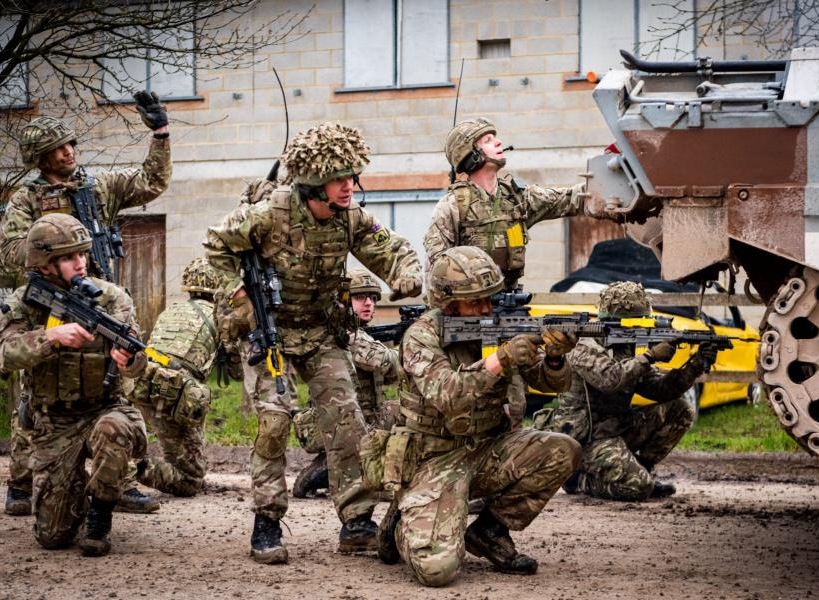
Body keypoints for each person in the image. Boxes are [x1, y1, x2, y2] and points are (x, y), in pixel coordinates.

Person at [205, 122, 423, 565]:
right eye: (340, 179)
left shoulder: (349, 217)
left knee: (347, 419)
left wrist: (405, 274)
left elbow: (392, 248)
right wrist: (237, 294)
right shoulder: (270, 214)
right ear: (313, 184)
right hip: (270, 332)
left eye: (352, 178)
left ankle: (356, 520)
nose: (349, 187)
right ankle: (267, 521)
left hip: (321, 332)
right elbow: (215, 246)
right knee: (273, 421)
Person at [0, 92, 171, 516]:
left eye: (70, 143)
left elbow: (151, 183)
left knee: (113, 381)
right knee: (38, 390)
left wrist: (161, 135)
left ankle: (117, 480)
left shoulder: (98, 187)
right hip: (50, 300)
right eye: (58, 148)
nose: (68, 151)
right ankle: (22, 481)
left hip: (100, 298)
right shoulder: (27, 199)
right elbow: (8, 251)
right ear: (41, 158)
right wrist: (52, 249)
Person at [378, 246, 582, 587]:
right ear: (448, 302)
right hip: (434, 457)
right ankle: (402, 521)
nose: (486, 309)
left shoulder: (500, 326)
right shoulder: (421, 336)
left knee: (562, 449)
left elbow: (550, 384)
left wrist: (555, 358)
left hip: (488, 447)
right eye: (476, 302)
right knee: (437, 572)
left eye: (490, 299)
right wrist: (500, 359)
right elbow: (450, 395)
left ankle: (489, 531)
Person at [0, 214, 149, 557]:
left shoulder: (113, 298)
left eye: (83, 255)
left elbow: (138, 360)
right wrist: (50, 336)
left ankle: (100, 515)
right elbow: (2, 353)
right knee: (53, 536)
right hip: (54, 421)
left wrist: (129, 360)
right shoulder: (25, 302)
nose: (80, 263)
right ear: (45, 265)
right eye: (68, 257)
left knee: (114, 429)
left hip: (104, 408)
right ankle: (74, 492)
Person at [535, 282, 718, 501]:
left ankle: (642, 471)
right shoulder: (579, 344)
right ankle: (578, 481)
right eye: (638, 321)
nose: (643, 326)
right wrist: (650, 356)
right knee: (637, 489)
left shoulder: (624, 346)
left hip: (616, 430)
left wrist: (697, 363)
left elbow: (661, 389)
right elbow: (610, 379)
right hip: (585, 441)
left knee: (679, 410)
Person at [424, 117, 621, 290]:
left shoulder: (518, 199)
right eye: (488, 140)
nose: (498, 142)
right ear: (471, 154)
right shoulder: (452, 206)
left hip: (509, 303)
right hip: (467, 310)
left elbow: (570, 199)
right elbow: (436, 271)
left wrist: (614, 186)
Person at [129, 257, 235, 497]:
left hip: (144, 382)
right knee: (190, 481)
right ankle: (133, 468)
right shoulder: (220, 317)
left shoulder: (173, 310)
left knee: (173, 452)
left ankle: (129, 465)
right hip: (176, 392)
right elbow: (236, 368)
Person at [292, 268, 401, 498]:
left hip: (349, 422)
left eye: (372, 298)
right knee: (399, 410)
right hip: (343, 425)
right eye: (360, 297)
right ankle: (342, 469)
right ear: (342, 301)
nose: (368, 303)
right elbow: (389, 363)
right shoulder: (347, 334)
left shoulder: (357, 333)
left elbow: (390, 375)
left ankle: (335, 465)